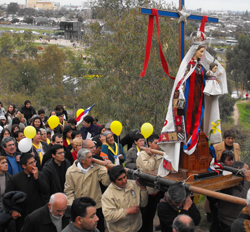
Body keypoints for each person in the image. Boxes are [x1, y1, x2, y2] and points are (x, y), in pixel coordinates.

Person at [158, 43, 227, 174]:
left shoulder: (200, 67)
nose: (202, 54)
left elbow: (207, 79)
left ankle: (195, 140)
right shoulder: (188, 66)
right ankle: (185, 145)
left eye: (203, 51)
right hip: (188, 101)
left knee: (198, 122)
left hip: (198, 100)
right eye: (200, 51)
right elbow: (180, 84)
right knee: (187, 124)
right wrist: (180, 102)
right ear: (195, 51)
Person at [64, 148, 111, 232]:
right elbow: (69, 191)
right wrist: (73, 207)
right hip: (80, 210)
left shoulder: (97, 167)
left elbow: (106, 182)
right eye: (89, 157)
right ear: (82, 160)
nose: (92, 159)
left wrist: (109, 169)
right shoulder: (71, 171)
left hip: (96, 206)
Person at [5, 153, 49, 231]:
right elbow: (8, 197)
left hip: (39, 213)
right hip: (23, 215)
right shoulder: (15, 179)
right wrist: (12, 210)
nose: (34, 165)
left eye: (34, 161)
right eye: (31, 163)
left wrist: (37, 179)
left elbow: (46, 191)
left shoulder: (40, 175)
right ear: (24, 166)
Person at [102, 165, 148, 232]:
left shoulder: (133, 184)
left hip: (137, 228)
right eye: (119, 179)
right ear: (113, 181)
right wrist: (127, 211)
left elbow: (143, 204)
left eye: (124, 177)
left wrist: (143, 188)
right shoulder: (108, 195)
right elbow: (109, 216)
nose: (124, 181)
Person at [136, 134, 163, 232]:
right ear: (150, 143)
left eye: (159, 143)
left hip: (156, 190)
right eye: (156, 143)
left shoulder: (160, 153)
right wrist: (152, 156)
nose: (158, 145)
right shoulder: (143, 155)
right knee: (144, 215)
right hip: (145, 190)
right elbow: (148, 169)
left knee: (151, 215)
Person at [216, 161, 250, 232]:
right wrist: (247, 181)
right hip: (228, 221)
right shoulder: (231, 181)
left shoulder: (242, 180)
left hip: (238, 219)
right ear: (239, 169)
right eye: (246, 169)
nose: (248, 172)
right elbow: (242, 197)